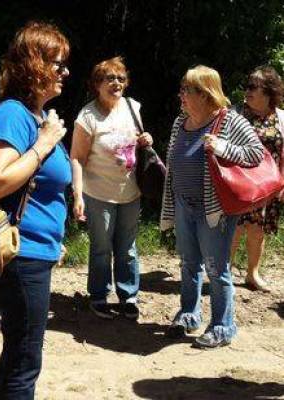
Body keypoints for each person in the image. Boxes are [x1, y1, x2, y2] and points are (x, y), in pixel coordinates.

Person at [0, 21, 71, 399]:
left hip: (35, 250)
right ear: (33, 65)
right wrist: (45, 144)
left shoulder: (33, 117)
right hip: (21, 255)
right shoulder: (13, 115)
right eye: (57, 63)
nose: (65, 72)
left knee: (17, 356)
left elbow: (42, 192)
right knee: (24, 363)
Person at [161, 65, 264, 348]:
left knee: (217, 268)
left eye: (187, 90)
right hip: (184, 204)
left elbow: (257, 154)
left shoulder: (230, 121)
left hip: (214, 210)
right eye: (182, 88)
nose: (181, 95)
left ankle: (222, 325)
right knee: (188, 264)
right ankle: (189, 314)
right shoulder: (181, 121)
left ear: (206, 94)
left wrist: (222, 148)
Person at [70, 57, 152, 320]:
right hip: (98, 193)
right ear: (97, 84)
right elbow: (77, 158)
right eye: (110, 78)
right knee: (102, 248)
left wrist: (146, 139)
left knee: (127, 248)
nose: (116, 83)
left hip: (130, 191)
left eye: (120, 78)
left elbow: (139, 141)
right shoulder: (87, 116)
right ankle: (99, 296)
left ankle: (129, 297)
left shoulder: (132, 107)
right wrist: (78, 194)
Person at [230, 66, 284, 292]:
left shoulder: (281, 117)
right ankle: (223, 272)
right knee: (234, 228)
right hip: (240, 183)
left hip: (268, 186)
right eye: (247, 85)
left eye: (253, 86)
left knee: (257, 229)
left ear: (268, 91)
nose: (247, 90)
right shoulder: (234, 114)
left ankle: (252, 274)